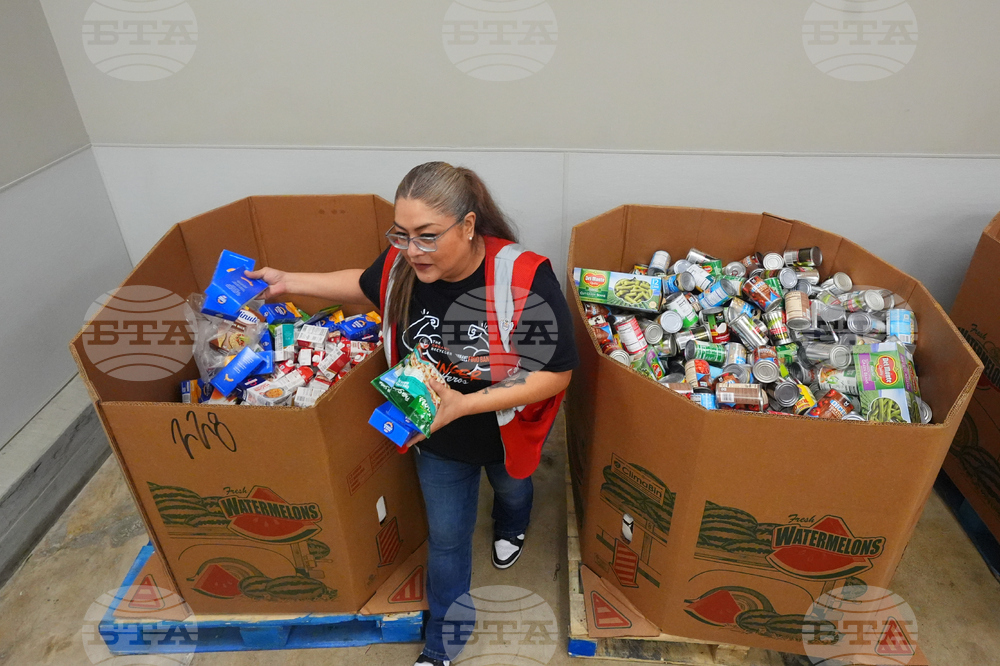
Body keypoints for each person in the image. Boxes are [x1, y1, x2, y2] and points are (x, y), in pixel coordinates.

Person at [247, 162, 578, 666]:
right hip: (436, 436)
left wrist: (466, 403)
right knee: (446, 540)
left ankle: (512, 520)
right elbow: (364, 284)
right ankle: (443, 640)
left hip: (505, 427)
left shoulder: (521, 275)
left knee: (512, 485)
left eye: (426, 236)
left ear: (468, 227)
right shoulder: (405, 265)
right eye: (400, 235)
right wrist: (287, 281)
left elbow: (555, 374)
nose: (410, 250)